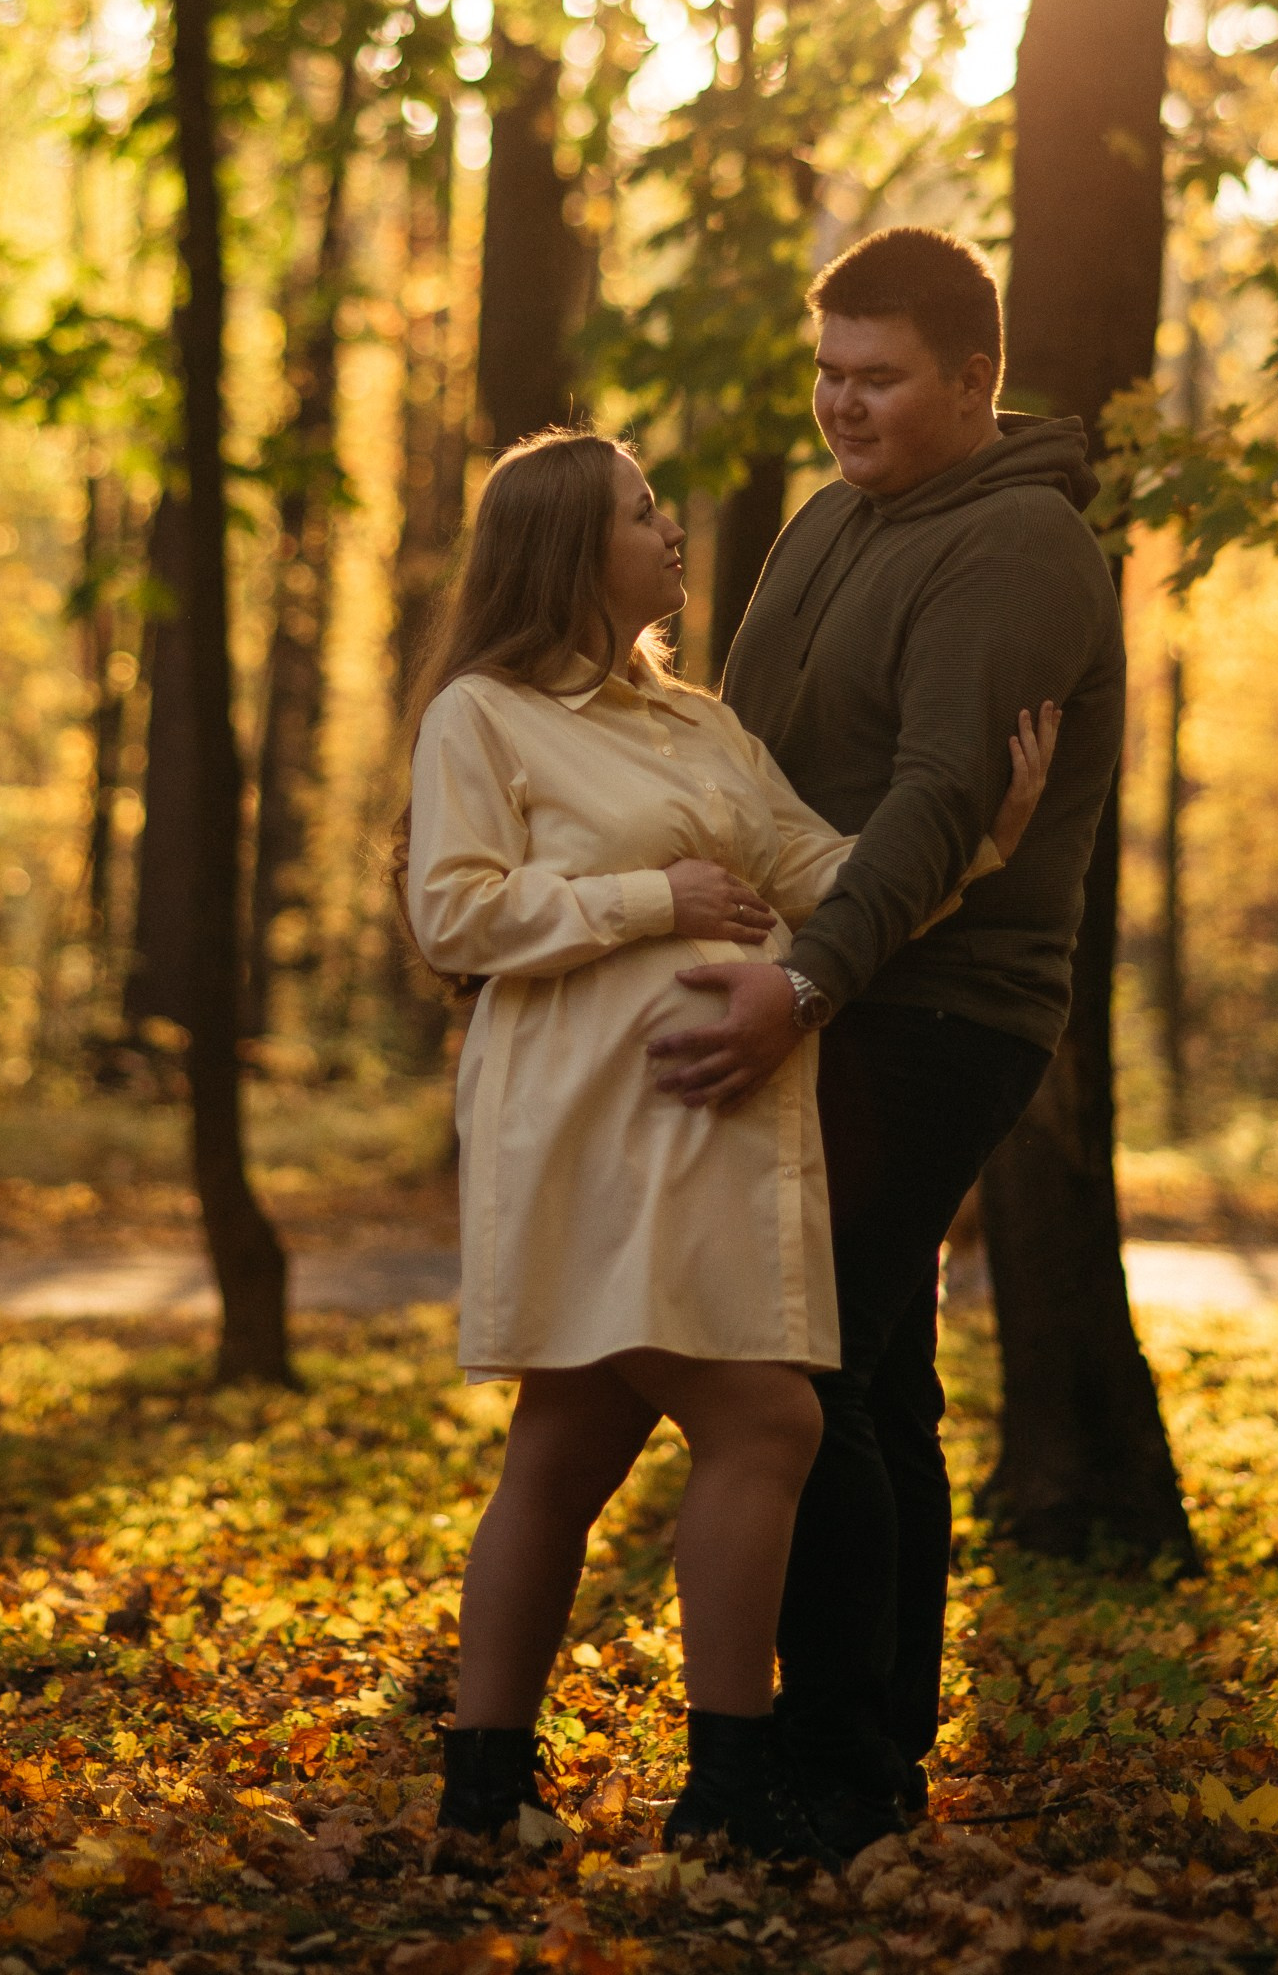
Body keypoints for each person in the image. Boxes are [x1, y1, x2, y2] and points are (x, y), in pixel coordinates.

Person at [401, 426, 1057, 1861]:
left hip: (710, 1130)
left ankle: (484, 1790)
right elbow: (452, 913)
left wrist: (979, 844)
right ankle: (727, 1783)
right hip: (583, 1121)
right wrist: (655, 900)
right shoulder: (484, 714)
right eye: (641, 512)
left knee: (568, 1441)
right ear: (570, 550)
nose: (670, 529)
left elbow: (821, 877)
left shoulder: (700, 725)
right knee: (769, 1421)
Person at [644, 226, 1124, 1855]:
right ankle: (866, 1756)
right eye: (826, 373)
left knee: (811, 1363)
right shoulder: (828, 520)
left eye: (880, 377)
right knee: (867, 1369)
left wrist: (804, 984)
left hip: (933, 1004)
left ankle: (832, 1775)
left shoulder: (1017, 546)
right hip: (830, 978)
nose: (842, 405)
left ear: (974, 379)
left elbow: (933, 802)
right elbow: (747, 752)